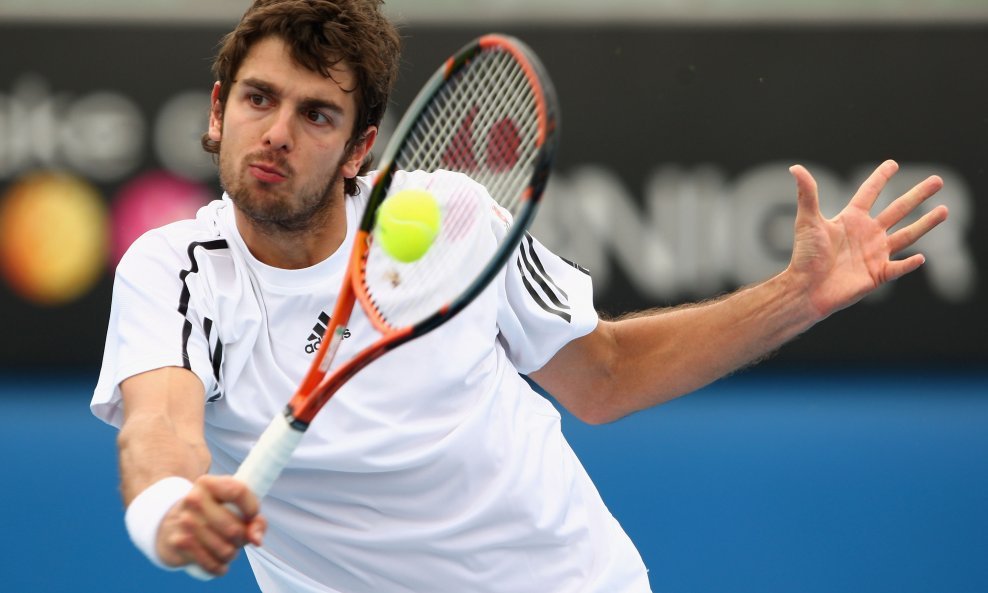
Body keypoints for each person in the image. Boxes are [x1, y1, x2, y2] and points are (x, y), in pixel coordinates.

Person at [90, 1, 949, 592]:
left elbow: (603, 376)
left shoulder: (452, 216)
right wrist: (172, 512)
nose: (276, 132)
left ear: (360, 148)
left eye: (317, 115)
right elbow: (161, 430)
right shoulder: (172, 270)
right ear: (217, 109)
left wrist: (797, 295)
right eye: (258, 99)